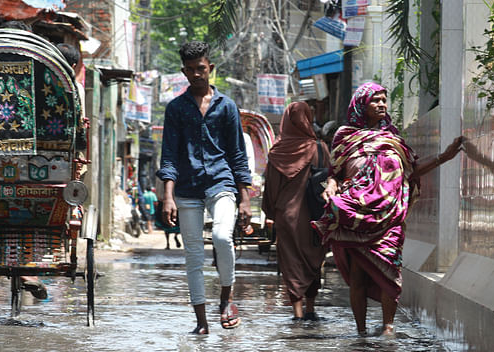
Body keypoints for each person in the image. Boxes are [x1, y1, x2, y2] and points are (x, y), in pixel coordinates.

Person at [311, 82, 464, 336]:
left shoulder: (393, 138)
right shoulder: (344, 136)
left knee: (390, 270)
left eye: (384, 100)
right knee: (359, 274)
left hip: (389, 215)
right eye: (376, 100)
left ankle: (388, 327)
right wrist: (330, 187)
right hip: (357, 214)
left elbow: (411, 170)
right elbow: (334, 172)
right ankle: (360, 331)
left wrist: (444, 157)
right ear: (362, 105)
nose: (382, 104)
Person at [157, 41, 252, 334]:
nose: (197, 74)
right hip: (187, 189)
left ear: (210, 68)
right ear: (184, 72)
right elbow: (169, 155)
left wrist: (245, 198)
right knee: (194, 256)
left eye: (202, 69)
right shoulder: (175, 108)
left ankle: (226, 299)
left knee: (223, 237)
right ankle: (201, 323)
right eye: (191, 70)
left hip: (221, 182)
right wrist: (167, 197)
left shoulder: (227, 107)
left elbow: (237, 154)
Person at [261, 102, 330, 321]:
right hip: (313, 216)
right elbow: (330, 180)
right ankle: (311, 308)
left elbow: (270, 189)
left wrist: (272, 213)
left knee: (291, 264)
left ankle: (297, 313)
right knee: (313, 261)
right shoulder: (319, 148)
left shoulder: (277, 153)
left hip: (286, 217)